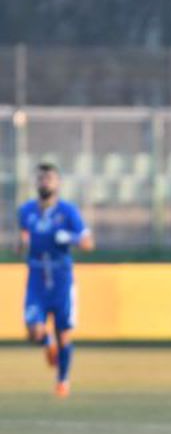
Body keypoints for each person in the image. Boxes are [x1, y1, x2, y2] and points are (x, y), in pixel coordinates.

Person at [17, 162, 94, 398]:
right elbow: (22, 239)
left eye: (49, 178)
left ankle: (62, 380)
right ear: (36, 183)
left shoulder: (68, 212)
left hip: (61, 278)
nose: (45, 182)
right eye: (41, 178)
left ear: (57, 183)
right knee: (33, 330)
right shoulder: (26, 211)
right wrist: (22, 245)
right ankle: (46, 342)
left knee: (64, 334)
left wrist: (69, 237)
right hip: (37, 277)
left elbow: (88, 243)